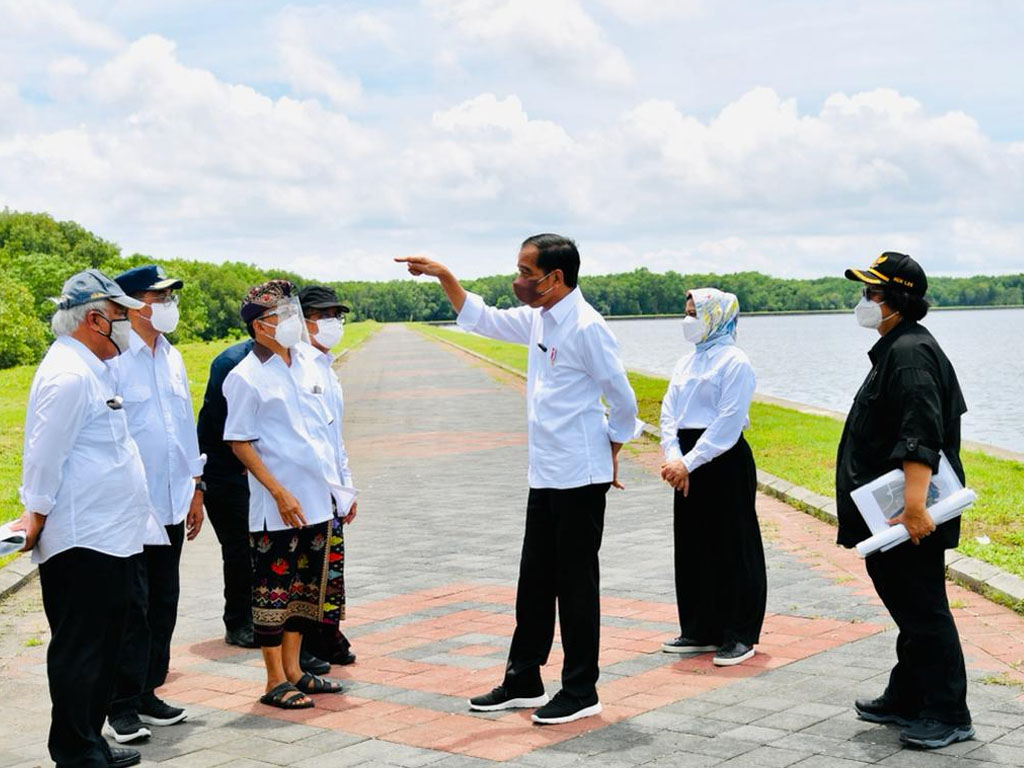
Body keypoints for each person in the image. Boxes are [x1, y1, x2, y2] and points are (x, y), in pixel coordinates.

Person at [396, 234, 639, 725]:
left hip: (579, 477)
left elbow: (625, 401)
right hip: (546, 473)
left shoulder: (587, 328)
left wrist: (610, 449)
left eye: (528, 273)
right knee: (534, 582)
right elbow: (482, 318)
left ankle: (581, 689)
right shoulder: (539, 319)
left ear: (556, 278)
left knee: (575, 586)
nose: (520, 281)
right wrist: (446, 277)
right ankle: (524, 677)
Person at [14, 270, 150, 768]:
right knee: (81, 651)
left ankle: (89, 740)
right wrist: (36, 512)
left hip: (111, 535)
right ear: (95, 319)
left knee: (104, 647)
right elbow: (43, 455)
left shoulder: (92, 367)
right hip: (83, 539)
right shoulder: (69, 376)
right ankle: (74, 750)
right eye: (121, 317)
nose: (128, 327)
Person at [838, 252, 973, 750]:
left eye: (871, 293)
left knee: (922, 608)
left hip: (905, 514)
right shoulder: (897, 347)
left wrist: (915, 508)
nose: (864, 302)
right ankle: (909, 694)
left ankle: (948, 711)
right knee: (908, 603)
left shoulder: (911, 353)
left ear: (897, 299)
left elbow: (921, 435)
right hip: (889, 515)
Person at [223, 279, 349, 709]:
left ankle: (296, 670)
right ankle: (274, 678)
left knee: (304, 590)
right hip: (279, 507)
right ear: (261, 326)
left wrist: (340, 490)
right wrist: (278, 492)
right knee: (273, 591)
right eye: (285, 315)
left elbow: (325, 432)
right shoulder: (246, 376)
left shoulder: (309, 365)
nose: (294, 321)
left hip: (317, 500)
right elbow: (239, 442)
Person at [101, 265, 205, 743]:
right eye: (159, 297)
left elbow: (183, 427)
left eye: (170, 298)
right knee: (131, 607)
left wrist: (196, 487)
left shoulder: (173, 357)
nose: (167, 306)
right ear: (133, 305)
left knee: (164, 602)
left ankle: (148, 690)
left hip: (171, 502)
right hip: (129, 509)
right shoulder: (113, 360)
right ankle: (119, 705)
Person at [658, 289, 766, 666]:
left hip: (722, 459)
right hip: (685, 460)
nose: (688, 320)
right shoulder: (686, 362)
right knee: (692, 544)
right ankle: (700, 628)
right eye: (686, 312)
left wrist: (690, 462)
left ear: (716, 316)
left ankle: (740, 633)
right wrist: (673, 458)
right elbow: (669, 412)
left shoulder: (735, 361)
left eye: (694, 314)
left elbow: (729, 421)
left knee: (733, 544)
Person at [297, 285, 358, 666]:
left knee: (329, 568)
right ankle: (304, 646)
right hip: (304, 488)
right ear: (301, 321)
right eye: (322, 316)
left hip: (330, 488)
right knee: (304, 571)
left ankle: (326, 633)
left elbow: (333, 435)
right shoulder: (297, 366)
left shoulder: (325, 367)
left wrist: (345, 486)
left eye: (336, 315)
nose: (332, 323)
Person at [197, 337, 256, 649]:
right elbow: (220, 424)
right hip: (225, 469)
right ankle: (238, 622)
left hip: (257, 468)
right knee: (240, 548)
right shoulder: (232, 363)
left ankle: (261, 615)